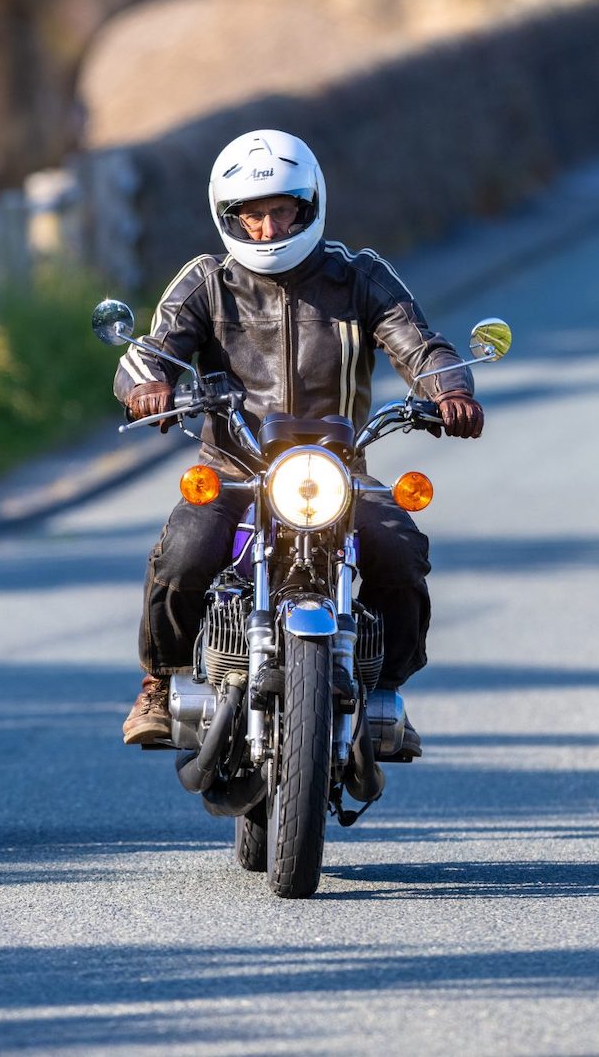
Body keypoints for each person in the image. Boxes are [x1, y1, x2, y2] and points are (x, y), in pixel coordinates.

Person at [114, 129, 487, 753]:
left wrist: (448, 389)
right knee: (183, 550)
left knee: (399, 554)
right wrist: (148, 383)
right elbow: (150, 350)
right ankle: (161, 679)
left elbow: (419, 341)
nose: (265, 227)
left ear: (308, 205)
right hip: (235, 471)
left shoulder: (358, 277)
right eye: (251, 215)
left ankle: (386, 688)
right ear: (228, 217)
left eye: (280, 210)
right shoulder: (208, 283)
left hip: (337, 468)